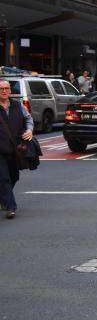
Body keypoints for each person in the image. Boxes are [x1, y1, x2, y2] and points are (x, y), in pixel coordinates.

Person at [0, 79, 34, 219]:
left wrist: (30, 130)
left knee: (14, 176)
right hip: (0, 150)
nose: (4, 91)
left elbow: (28, 119)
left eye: (6, 88)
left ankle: (3, 198)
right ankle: (11, 207)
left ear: (10, 90)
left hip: (15, 149)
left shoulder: (18, 105)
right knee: (4, 178)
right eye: (1, 88)